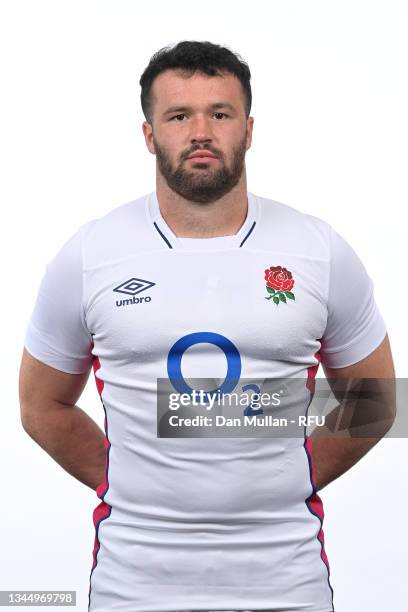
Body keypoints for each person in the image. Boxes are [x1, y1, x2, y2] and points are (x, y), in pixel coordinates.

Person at [19, 40, 395, 612]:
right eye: (178, 115)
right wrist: (123, 482)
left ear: (248, 129)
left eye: (219, 114)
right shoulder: (92, 253)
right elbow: (40, 406)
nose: (200, 131)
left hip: (286, 580)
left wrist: (296, 474)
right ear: (149, 134)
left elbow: (376, 398)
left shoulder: (317, 250)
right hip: (134, 583)